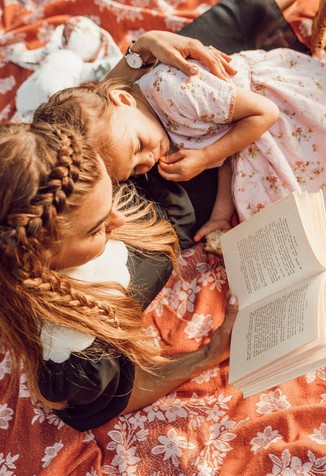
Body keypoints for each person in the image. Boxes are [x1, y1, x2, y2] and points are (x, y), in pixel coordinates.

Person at [0, 121, 239, 432]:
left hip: (184, 183)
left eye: (111, 193)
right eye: (97, 228)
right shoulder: (76, 356)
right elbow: (117, 398)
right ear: (37, 260)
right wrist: (210, 353)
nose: (120, 218)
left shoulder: (59, 170)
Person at [34, 46, 326, 252]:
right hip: (244, 131)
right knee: (279, 217)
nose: (149, 159)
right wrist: (218, 216)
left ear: (123, 98)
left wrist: (204, 158)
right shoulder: (146, 126)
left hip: (270, 106)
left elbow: (265, 113)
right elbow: (224, 150)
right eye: (137, 168)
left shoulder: (174, 91)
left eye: (138, 147)